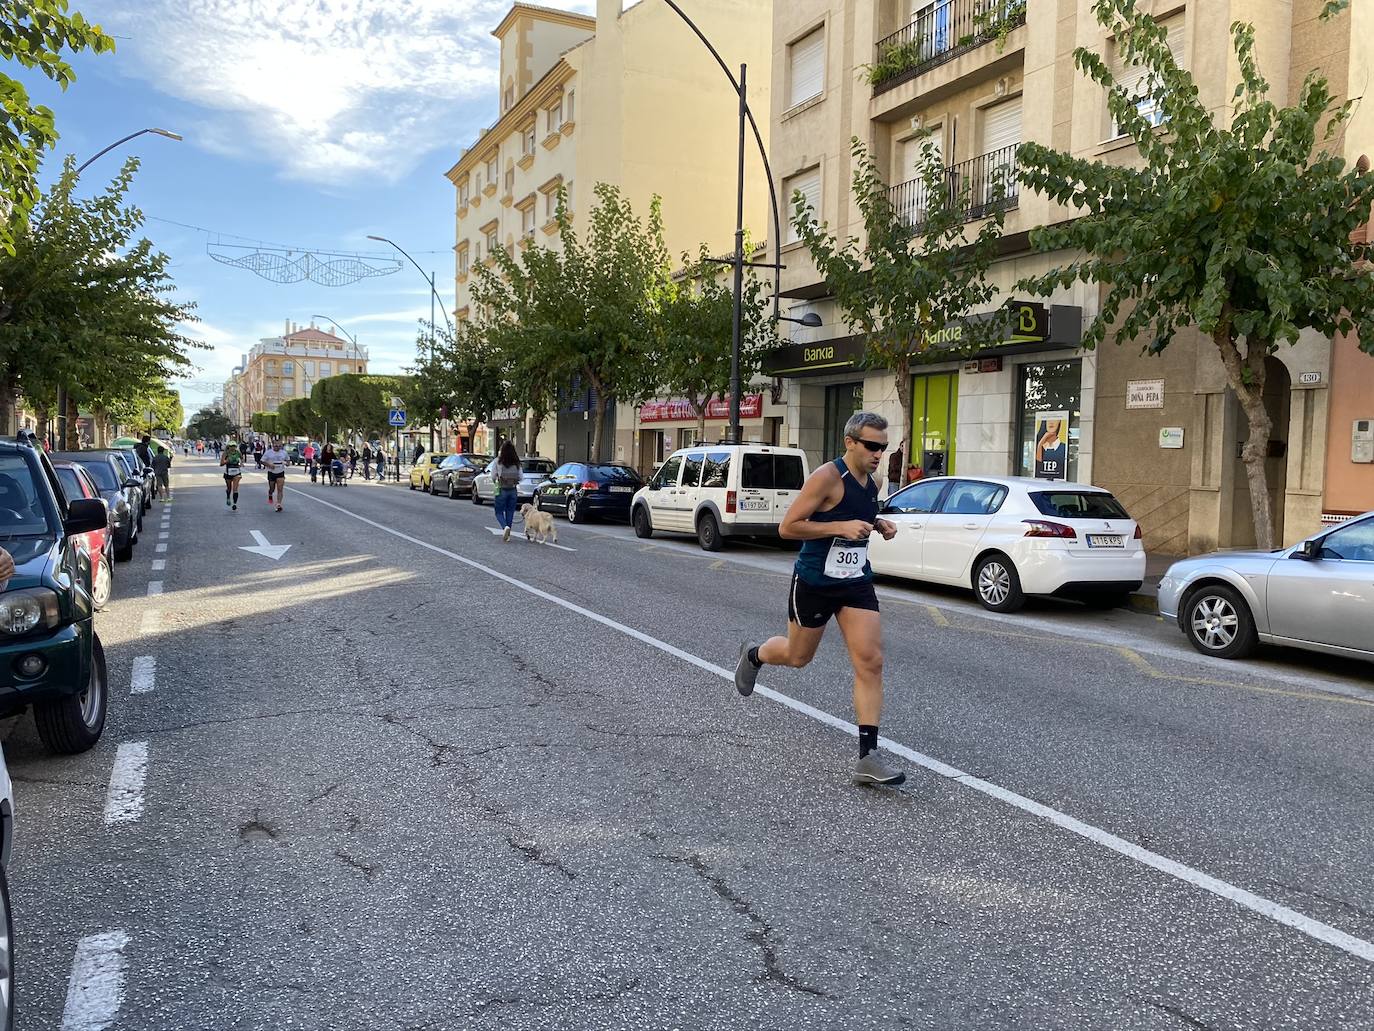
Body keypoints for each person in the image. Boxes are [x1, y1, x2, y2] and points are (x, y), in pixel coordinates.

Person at [734, 412, 905, 787]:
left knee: (871, 660)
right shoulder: (827, 477)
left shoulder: (871, 481)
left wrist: (879, 524)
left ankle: (868, 756)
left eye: (884, 447)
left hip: (855, 580)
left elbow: (858, 514)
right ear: (850, 442)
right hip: (814, 581)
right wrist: (839, 527)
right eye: (872, 446)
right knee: (798, 657)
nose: (879, 453)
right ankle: (755, 653)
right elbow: (788, 526)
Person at [492, 441, 522, 542]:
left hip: (501, 489)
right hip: (513, 489)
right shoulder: (517, 462)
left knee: (499, 512)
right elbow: (521, 477)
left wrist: (496, 482)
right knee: (510, 511)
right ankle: (508, 533)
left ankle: (505, 527)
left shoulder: (498, 461)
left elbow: (493, 476)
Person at [263, 437, 289, 512]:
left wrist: (287, 463)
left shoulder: (284, 452)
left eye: (279, 446)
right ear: (273, 445)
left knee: (280, 489)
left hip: (280, 472)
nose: (277, 447)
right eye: (275, 446)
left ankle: (278, 504)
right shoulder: (268, 452)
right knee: (272, 488)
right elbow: (262, 461)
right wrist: (269, 465)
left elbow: (288, 460)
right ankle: (270, 494)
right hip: (271, 472)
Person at [220, 440, 244, 510]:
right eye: (231, 446)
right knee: (229, 488)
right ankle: (228, 497)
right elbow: (221, 464)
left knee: (235, 489)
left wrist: (241, 463)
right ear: (228, 447)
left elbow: (242, 459)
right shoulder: (225, 453)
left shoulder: (238, 452)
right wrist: (227, 461)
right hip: (228, 472)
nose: (233, 448)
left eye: (234, 446)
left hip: (237, 472)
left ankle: (234, 504)